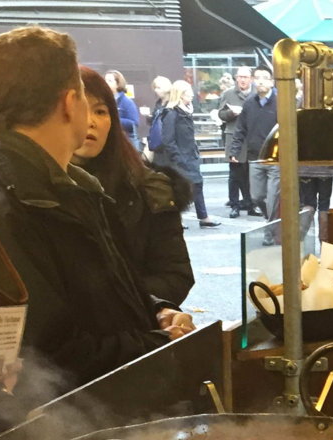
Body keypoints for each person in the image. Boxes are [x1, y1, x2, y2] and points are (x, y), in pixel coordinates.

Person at [0, 26, 193, 406]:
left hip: (119, 410)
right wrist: (158, 341)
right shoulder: (7, 210)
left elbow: (104, 301)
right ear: (68, 102)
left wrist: (154, 310)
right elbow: (51, 353)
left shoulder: (76, 191)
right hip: (72, 434)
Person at [75, 66, 193, 307]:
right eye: (79, 110)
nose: (91, 122)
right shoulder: (36, 189)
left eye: (100, 111)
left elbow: (175, 276)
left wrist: (114, 303)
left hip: (138, 332)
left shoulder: (148, 187)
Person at [155, 79, 217, 228]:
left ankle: (203, 216)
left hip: (190, 156)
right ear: (181, 95)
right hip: (180, 158)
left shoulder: (186, 111)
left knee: (197, 184)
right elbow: (168, 139)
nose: (192, 95)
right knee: (181, 188)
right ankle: (180, 218)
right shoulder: (171, 113)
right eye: (188, 92)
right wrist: (178, 158)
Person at [230, 67, 277, 219]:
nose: (260, 81)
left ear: (271, 82)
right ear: (253, 81)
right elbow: (240, 128)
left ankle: (270, 231)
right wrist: (234, 150)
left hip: (276, 159)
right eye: (257, 78)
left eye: (264, 78)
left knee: (273, 197)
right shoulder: (250, 103)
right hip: (255, 157)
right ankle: (270, 219)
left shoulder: (281, 102)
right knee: (256, 197)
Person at [218, 65, 254, 216]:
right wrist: (231, 113)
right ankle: (234, 205)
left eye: (245, 77)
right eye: (239, 77)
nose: (242, 80)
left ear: (251, 79)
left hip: (252, 139)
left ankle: (251, 204)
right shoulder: (228, 94)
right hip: (233, 138)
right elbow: (221, 114)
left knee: (251, 174)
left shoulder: (256, 94)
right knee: (234, 175)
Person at [105, 69, 140, 144]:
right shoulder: (102, 101)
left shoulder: (127, 102)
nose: (106, 83)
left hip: (123, 142)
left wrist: (114, 120)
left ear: (118, 84)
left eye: (110, 81)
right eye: (105, 80)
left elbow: (134, 123)